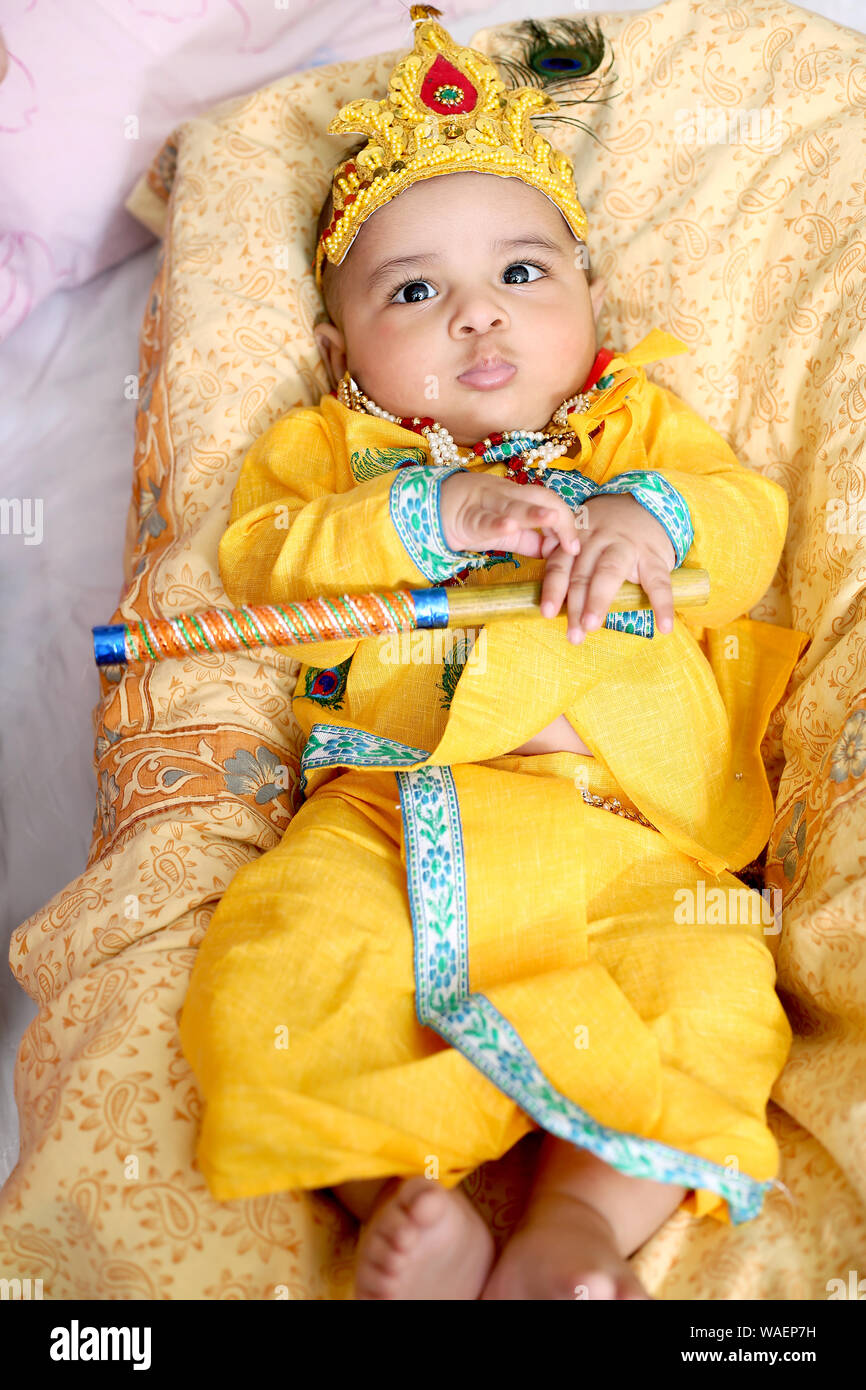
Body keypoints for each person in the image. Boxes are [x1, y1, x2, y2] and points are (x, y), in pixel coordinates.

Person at [179, 6, 809, 1300]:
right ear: (334, 351)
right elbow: (264, 557)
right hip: (388, 810)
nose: (476, 315)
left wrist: (643, 518)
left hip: (633, 829)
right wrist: (432, 515)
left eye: (521, 275)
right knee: (278, 963)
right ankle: (399, 1196)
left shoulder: (638, 425)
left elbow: (747, 531)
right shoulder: (337, 456)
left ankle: (576, 1224)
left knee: (708, 994)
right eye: (413, 291)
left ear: (589, 302)